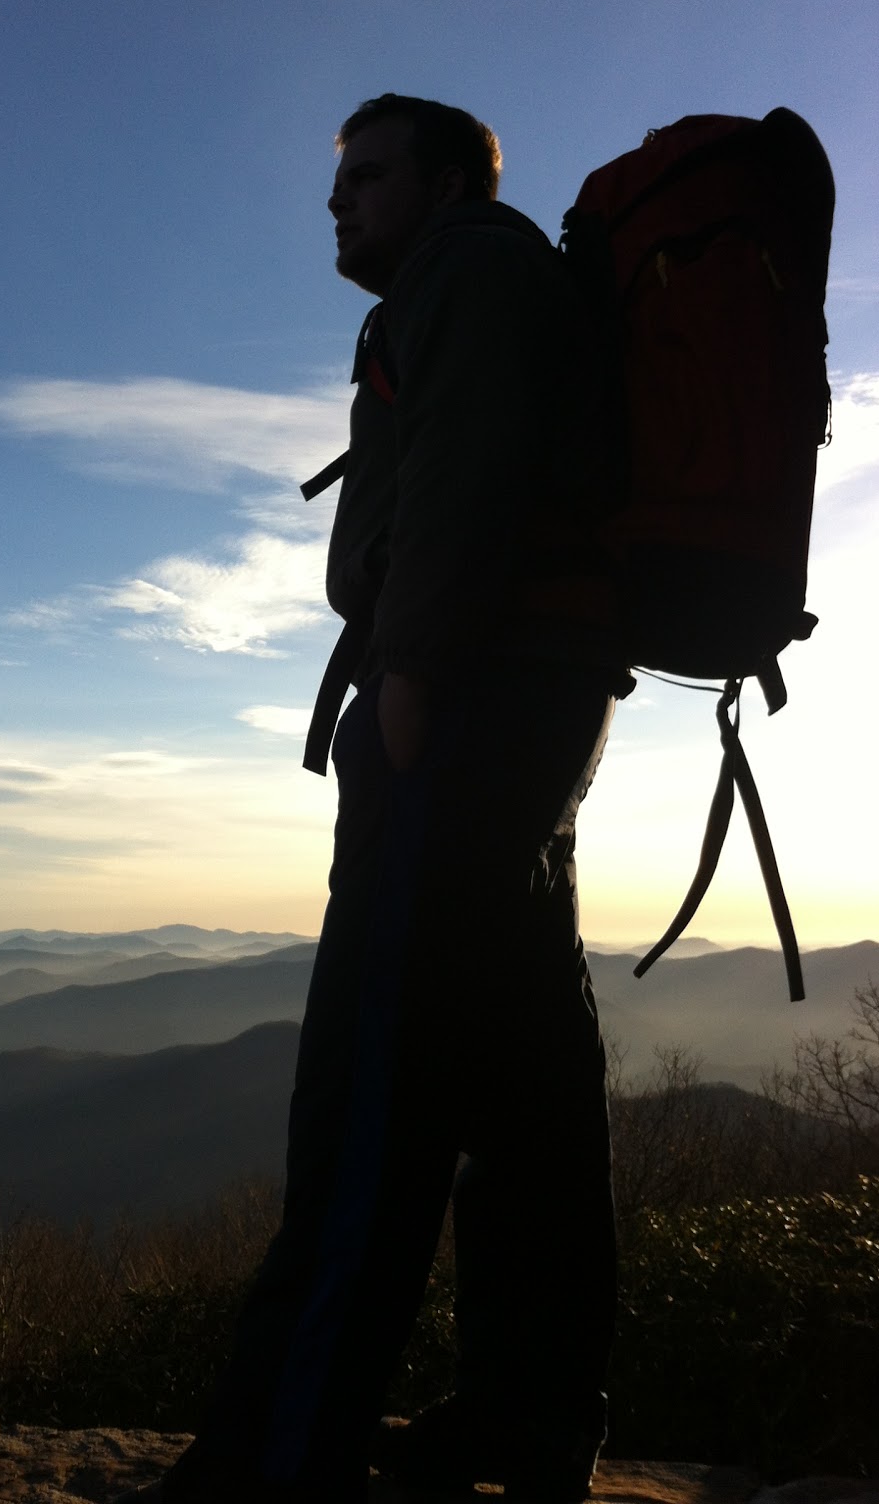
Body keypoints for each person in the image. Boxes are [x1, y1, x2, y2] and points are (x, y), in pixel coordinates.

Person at [120, 93, 625, 1504]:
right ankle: (528, 1419)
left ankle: (278, 1455)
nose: (338, 204)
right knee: (527, 1074)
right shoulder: (505, 277)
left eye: (367, 176)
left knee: (373, 1079)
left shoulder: (468, 266)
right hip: (532, 704)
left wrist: (407, 674)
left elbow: (462, 475)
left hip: (459, 708)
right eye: (336, 182)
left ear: (450, 178)